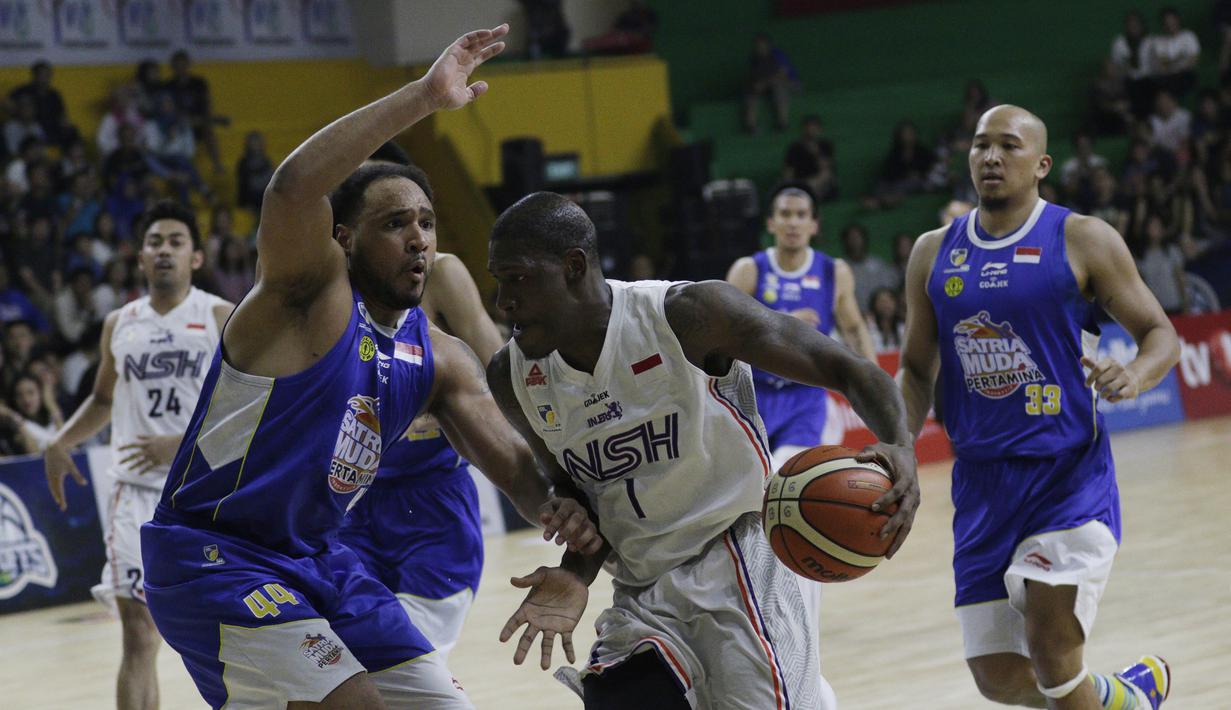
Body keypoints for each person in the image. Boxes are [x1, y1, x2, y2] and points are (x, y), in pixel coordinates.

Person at [136, 26, 598, 709]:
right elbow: (293, 187)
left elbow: (519, 477)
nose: (418, 238)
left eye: (427, 221)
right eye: (393, 224)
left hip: (322, 559)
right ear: (342, 240)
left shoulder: (438, 357)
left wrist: (565, 516)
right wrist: (423, 96)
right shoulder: (305, 301)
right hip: (213, 555)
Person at [487, 191, 920, 710]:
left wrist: (899, 443)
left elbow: (846, 368)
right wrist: (575, 568)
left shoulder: (686, 315)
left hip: (736, 559)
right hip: (641, 588)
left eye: (516, 279)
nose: (502, 302)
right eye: (497, 281)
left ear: (573, 267)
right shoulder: (513, 377)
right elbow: (579, 495)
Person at [897, 105, 1178, 709]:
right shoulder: (931, 252)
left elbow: (1162, 334)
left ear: (1042, 164)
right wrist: (899, 450)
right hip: (980, 482)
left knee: (1050, 646)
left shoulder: (1082, 238)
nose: (992, 157)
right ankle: (1122, 698)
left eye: (1009, 146)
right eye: (980, 145)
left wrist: (1133, 373)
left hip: (1066, 474)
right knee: (999, 677)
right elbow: (918, 369)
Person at [43, 201, 233, 710]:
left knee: (233, 635)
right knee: (139, 634)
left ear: (195, 257)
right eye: (155, 242)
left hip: (203, 492)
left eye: (176, 240)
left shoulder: (220, 317)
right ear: (141, 256)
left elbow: (252, 406)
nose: (164, 249)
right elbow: (104, 400)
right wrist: (62, 441)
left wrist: (182, 442)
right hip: (135, 494)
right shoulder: (119, 323)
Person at [337, 142, 507, 660]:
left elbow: (499, 365)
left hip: (429, 496)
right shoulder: (327, 285)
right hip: (346, 501)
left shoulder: (442, 271)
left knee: (409, 665)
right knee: (352, 665)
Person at [724, 184, 877, 692]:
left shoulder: (835, 272)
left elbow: (854, 329)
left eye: (801, 215)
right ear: (772, 222)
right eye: (784, 213)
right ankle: (757, 609)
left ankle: (800, 636)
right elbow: (716, 335)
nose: (792, 222)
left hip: (809, 406)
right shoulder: (750, 271)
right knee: (747, 513)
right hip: (754, 402)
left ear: (814, 224)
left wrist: (874, 387)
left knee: (791, 501)